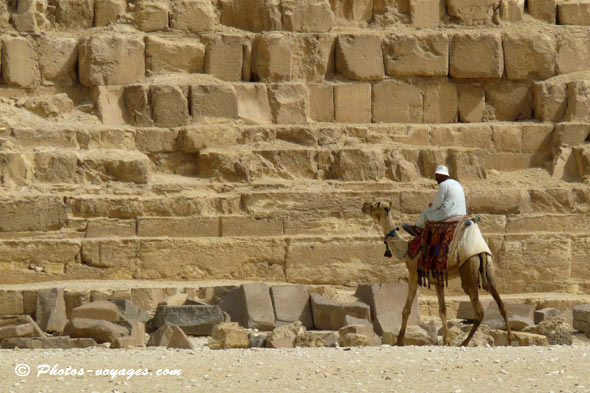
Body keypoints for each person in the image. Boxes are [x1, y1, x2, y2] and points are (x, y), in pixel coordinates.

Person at [402, 165, 466, 237]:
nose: (436, 179)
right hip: (461, 212)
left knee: (425, 213)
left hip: (449, 214)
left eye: (437, 176)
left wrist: (432, 206)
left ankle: (417, 229)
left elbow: (438, 203)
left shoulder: (443, 185)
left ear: (440, 175)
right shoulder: (456, 183)